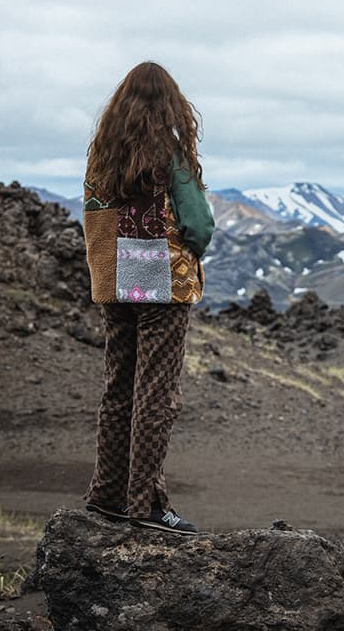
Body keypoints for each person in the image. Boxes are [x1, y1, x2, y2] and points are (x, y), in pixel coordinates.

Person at [80, 61, 215, 535]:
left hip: (113, 283)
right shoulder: (171, 156)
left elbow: (94, 223)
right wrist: (187, 252)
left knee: (118, 387)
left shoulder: (101, 158)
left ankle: (107, 495)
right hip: (162, 285)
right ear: (171, 106)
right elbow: (199, 225)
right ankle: (148, 504)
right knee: (156, 392)